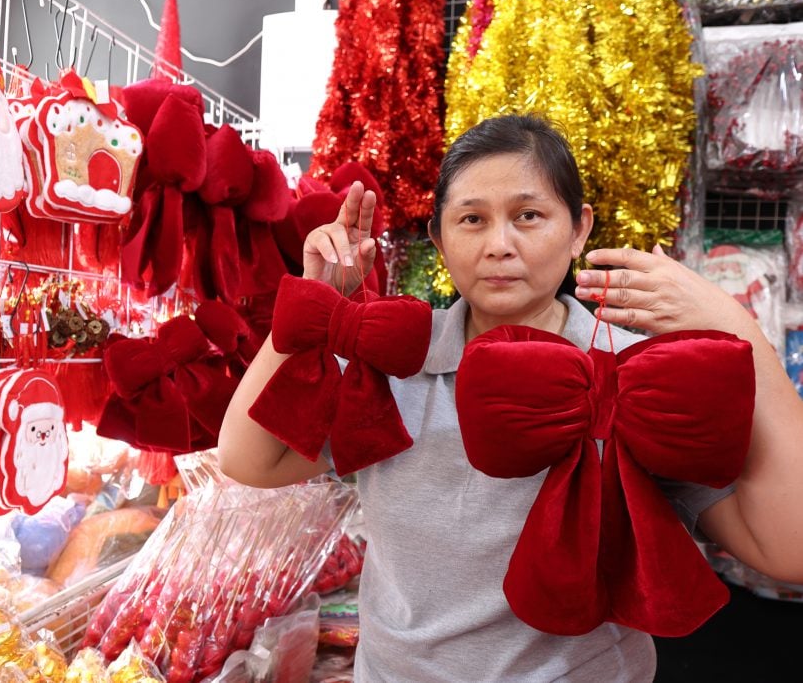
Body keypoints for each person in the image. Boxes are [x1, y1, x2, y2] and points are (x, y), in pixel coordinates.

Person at [218, 114, 803, 681]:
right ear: (439, 239)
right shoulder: (393, 362)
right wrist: (308, 310)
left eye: (528, 215)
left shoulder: (637, 374)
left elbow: (785, 549)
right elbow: (249, 460)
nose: (499, 244)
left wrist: (743, 334)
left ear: (579, 229)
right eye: (471, 219)